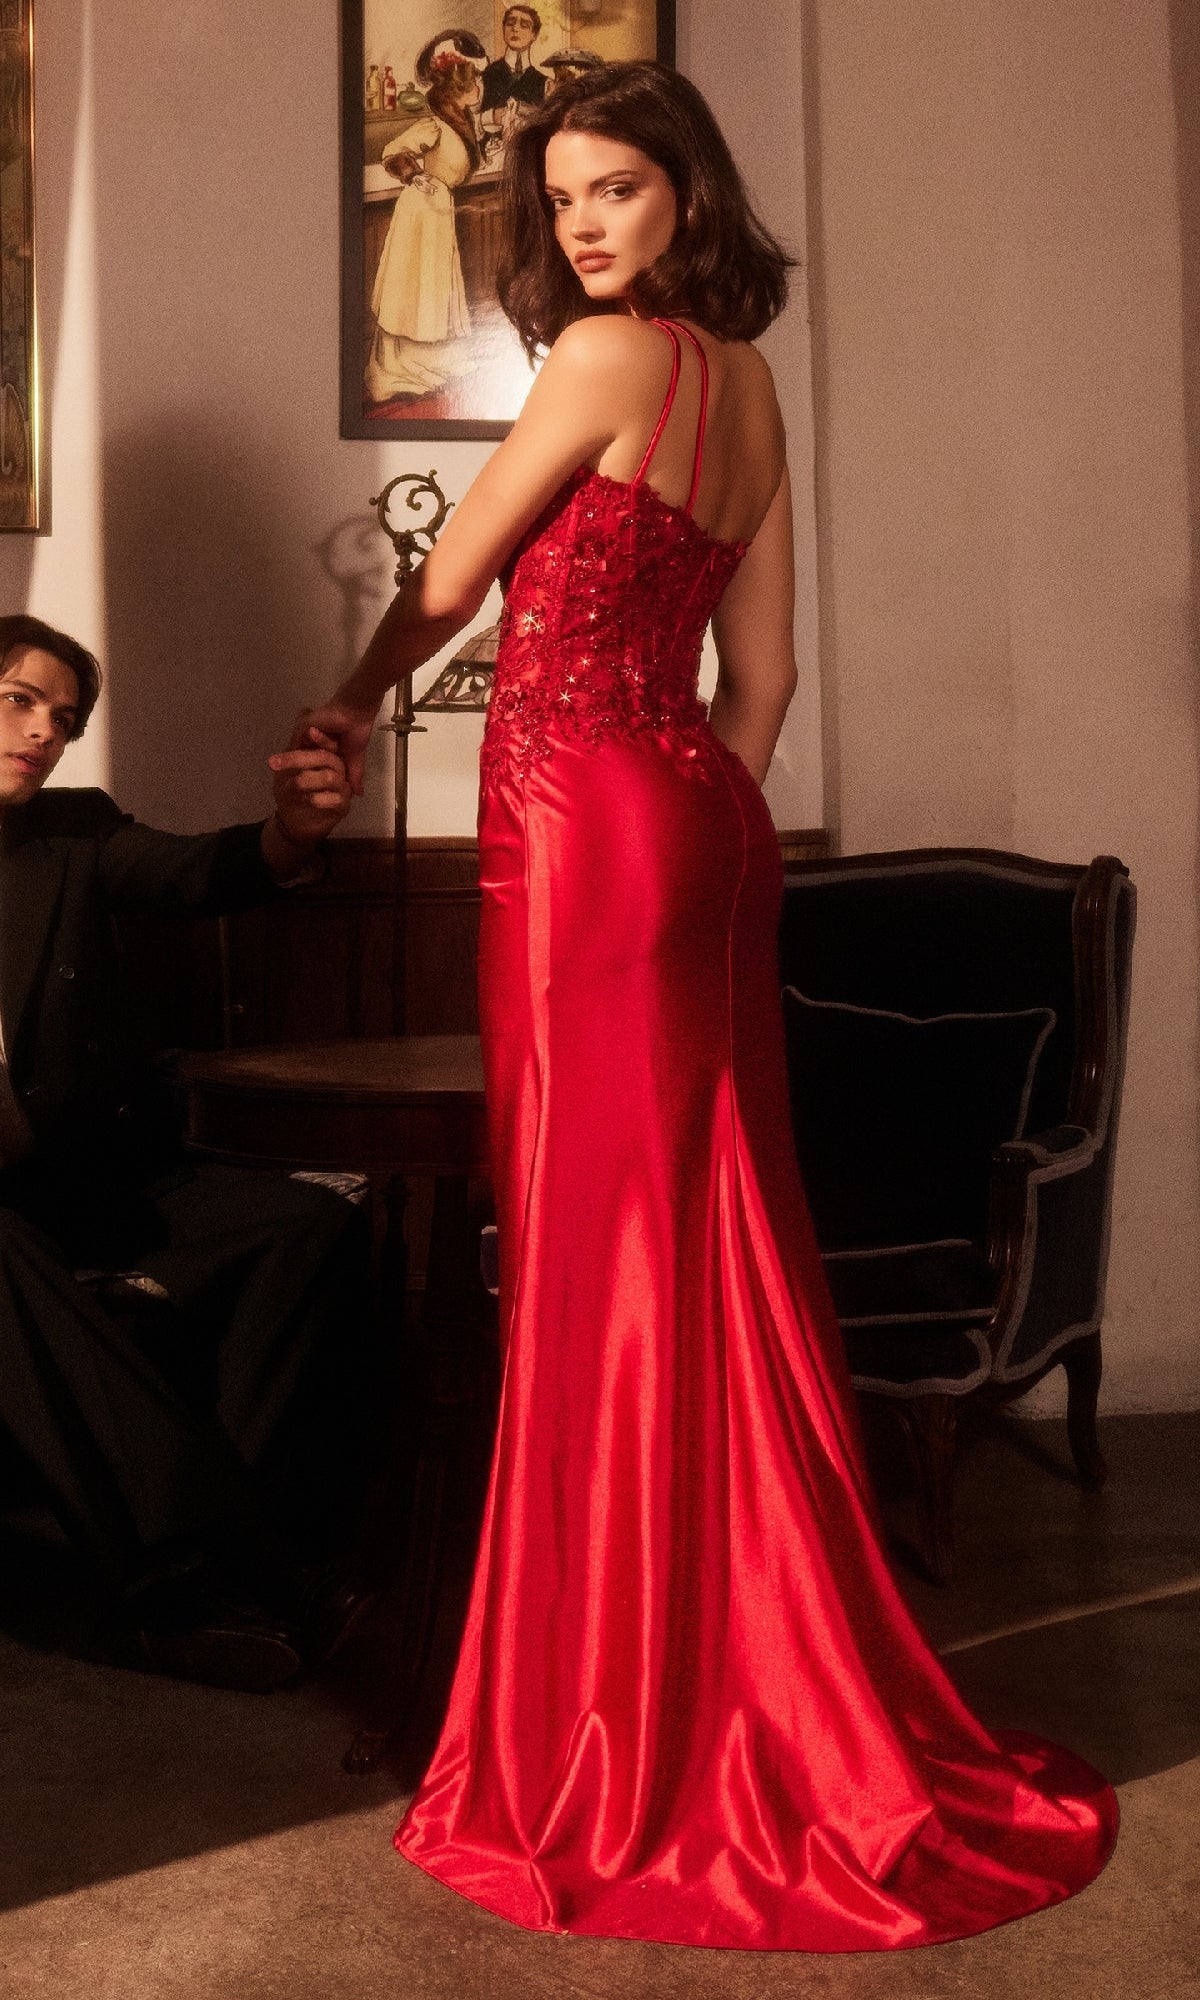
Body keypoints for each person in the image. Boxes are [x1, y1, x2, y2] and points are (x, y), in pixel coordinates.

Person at [306, 61, 1117, 1952]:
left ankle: (613, 1723)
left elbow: (450, 571)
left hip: (582, 829)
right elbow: (767, 676)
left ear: (690, 196)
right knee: (700, 1235)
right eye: (563, 203)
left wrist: (351, 697)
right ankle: (729, 1669)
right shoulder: (752, 399)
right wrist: (693, 820)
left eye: (617, 191)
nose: (585, 228)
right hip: (693, 821)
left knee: (603, 1251)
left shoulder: (606, 361)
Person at [0, 615, 375, 1691]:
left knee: (312, 1221)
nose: (44, 733)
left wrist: (289, 835)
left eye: (63, 719)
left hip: (71, 1182)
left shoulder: (69, 834)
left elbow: (194, 872)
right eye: (19, 699)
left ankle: (251, 1534)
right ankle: (175, 1582)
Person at [364, 50, 484, 406]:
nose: (478, 88)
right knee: (412, 290)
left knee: (434, 290)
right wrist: (414, 175)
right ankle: (398, 367)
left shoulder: (458, 124)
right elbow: (393, 151)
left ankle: (435, 361)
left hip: (438, 211)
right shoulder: (433, 125)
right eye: (473, 83)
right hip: (421, 211)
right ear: (456, 92)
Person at [480, 6, 547, 126]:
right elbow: (467, 119)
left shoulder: (544, 83)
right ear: (503, 29)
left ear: (534, 34)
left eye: (524, 25)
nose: (515, 29)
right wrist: (491, 117)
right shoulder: (486, 75)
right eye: (510, 23)